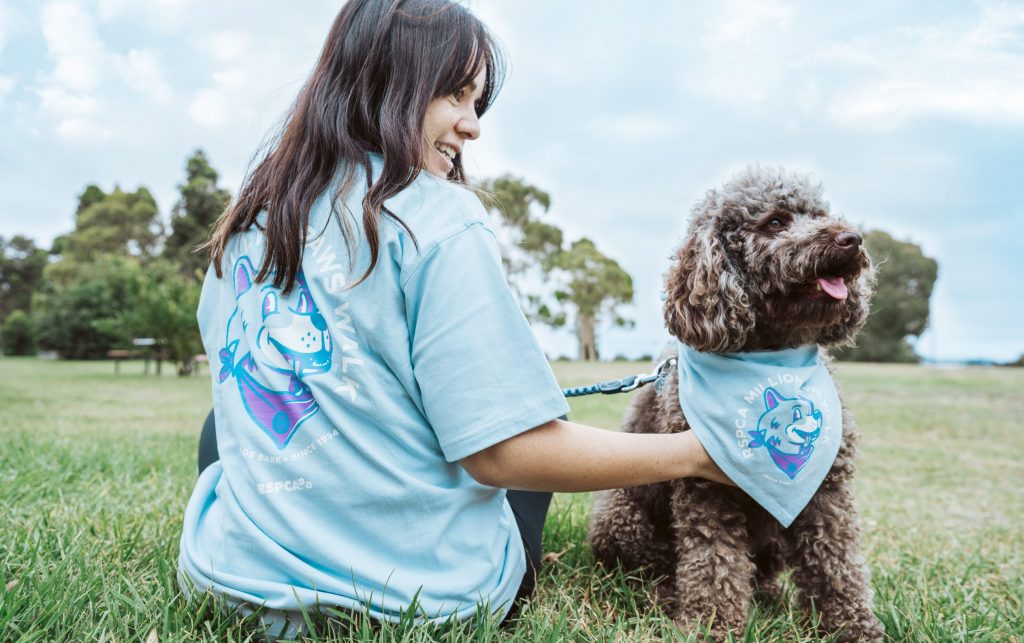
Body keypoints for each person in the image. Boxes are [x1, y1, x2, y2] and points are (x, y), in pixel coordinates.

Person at [177, 0, 729, 637]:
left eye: (477, 103)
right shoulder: (437, 218)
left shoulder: (248, 225)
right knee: (530, 448)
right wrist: (694, 453)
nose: (471, 126)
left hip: (233, 590)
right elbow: (506, 454)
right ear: (385, 83)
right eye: (454, 96)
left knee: (222, 424)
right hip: (413, 607)